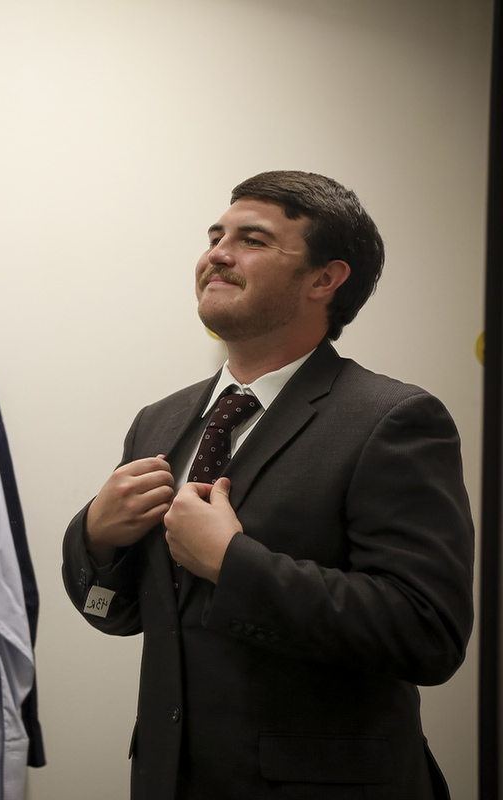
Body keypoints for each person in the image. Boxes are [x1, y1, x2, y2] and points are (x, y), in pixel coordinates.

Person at [61, 171, 474, 799]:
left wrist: (233, 563)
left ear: (324, 279)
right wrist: (96, 540)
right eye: (214, 236)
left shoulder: (392, 421)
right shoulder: (161, 422)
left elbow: (427, 635)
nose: (216, 254)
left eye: (252, 240)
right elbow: (119, 616)